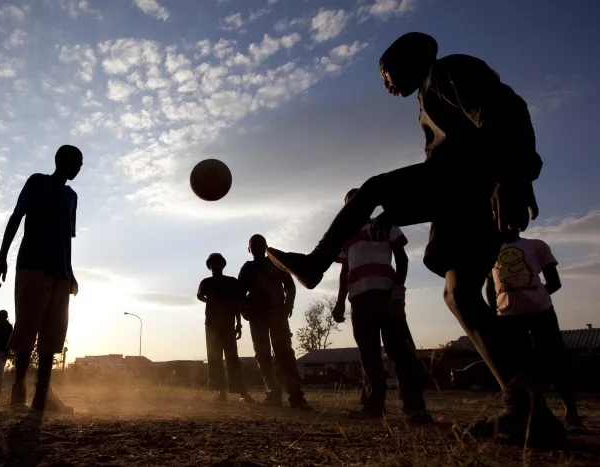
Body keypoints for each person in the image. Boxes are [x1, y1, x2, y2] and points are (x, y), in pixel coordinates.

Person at [266, 32, 566, 444]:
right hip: (461, 197)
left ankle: (316, 262)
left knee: (370, 188)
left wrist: (511, 178)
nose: (387, 85)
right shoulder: (428, 98)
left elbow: (507, 110)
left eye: (386, 74)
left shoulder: (448, 71)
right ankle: (529, 409)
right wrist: (401, 209)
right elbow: (437, 172)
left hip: (472, 184)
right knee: (458, 295)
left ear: (409, 59)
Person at [0, 144, 82, 415]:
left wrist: (71, 272)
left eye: (80, 164)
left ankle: (43, 397)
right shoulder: (37, 182)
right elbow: (16, 217)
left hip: (60, 273)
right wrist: (1, 256)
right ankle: (17, 394)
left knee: (52, 339)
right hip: (32, 265)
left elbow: (65, 239)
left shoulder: (71, 196)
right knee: (27, 330)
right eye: (75, 162)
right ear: (60, 161)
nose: (79, 168)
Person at [333, 189, 432, 424]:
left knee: (400, 350)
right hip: (358, 297)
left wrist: (398, 291)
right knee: (369, 354)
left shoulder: (385, 224)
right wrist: (339, 302)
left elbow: (403, 258)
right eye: (350, 204)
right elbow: (344, 270)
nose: (355, 207)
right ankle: (373, 406)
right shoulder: (346, 233)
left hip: (386, 294)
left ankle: (415, 407)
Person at [486, 232, 587, 433]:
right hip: (509, 316)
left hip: (541, 312)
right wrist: (495, 311)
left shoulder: (537, 245)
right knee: (522, 365)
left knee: (556, 359)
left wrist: (534, 295)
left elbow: (554, 281)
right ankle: (538, 414)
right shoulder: (490, 251)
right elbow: (490, 286)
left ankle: (572, 414)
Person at [238, 235, 311, 410]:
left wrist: (288, 305)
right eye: (253, 245)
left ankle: (295, 395)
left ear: (265, 247)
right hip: (257, 316)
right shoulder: (247, 268)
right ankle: (274, 392)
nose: (256, 248)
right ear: (249, 249)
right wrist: (245, 311)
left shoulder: (276, 263)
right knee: (263, 355)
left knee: (284, 352)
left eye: (259, 245)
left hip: (277, 313)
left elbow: (290, 286)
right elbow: (239, 292)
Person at [197, 253, 255, 403]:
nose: (215, 266)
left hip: (228, 325)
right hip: (211, 326)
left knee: (232, 359)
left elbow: (236, 304)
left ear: (223, 265)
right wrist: (210, 300)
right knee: (215, 359)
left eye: (218, 263)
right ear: (209, 266)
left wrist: (238, 324)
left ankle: (241, 392)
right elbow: (199, 295)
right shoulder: (206, 282)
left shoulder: (231, 282)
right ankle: (221, 393)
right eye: (212, 263)